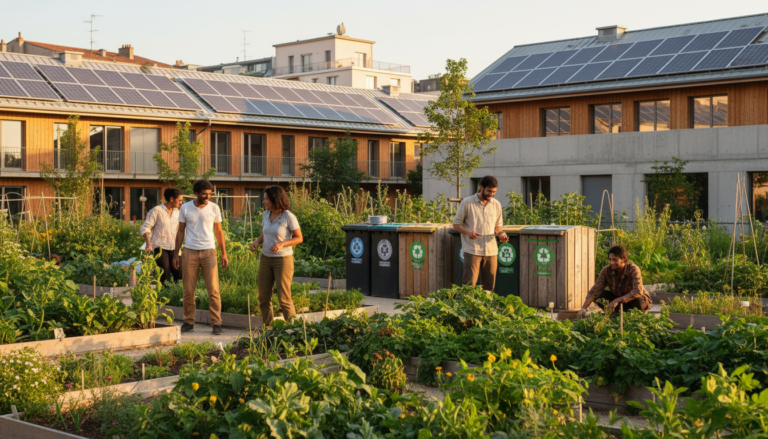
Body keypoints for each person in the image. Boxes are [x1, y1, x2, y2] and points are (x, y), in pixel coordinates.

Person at [172, 180, 229, 335]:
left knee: (214, 290)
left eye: (210, 194)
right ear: (196, 193)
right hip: (190, 252)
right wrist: (177, 253)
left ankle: (216, 323)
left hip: (209, 252)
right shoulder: (185, 208)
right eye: (204, 193)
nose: (207, 197)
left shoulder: (214, 208)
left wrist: (224, 253)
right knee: (188, 291)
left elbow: (219, 232)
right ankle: (188, 322)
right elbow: (180, 232)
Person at [249, 185, 303, 327]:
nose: (264, 201)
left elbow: (299, 238)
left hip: (283, 260)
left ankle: (294, 329)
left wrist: (282, 244)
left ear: (275, 199)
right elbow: (265, 233)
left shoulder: (288, 216)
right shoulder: (266, 214)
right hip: (266, 259)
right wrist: (257, 242)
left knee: (284, 298)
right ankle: (269, 328)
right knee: (264, 297)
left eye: (266, 199)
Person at [452, 175, 509, 292]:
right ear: (481, 187)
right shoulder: (467, 203)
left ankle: (485, 309)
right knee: (469, 286)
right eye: (489, 191)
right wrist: (468, 232)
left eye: (494, 192)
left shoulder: (496, 204)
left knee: (489, 286)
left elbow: (498, 226)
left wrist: (501, 234)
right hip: (472, 250)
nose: (491, 194)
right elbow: (456, 224)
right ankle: (467, 309)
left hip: (491, 251)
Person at [577, 245, 652, 318]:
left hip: (633, 300)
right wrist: (583, 309)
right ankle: (614, 313)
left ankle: (638, 315)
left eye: (615, 260)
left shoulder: (633, 269)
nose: (611, 262)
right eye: (610, 259)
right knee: (599, 295)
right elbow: (594, 291)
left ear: (623, 259)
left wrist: (617, 300)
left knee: (639, 301)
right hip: (618, 300)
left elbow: (638, 291)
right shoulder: (606, 270)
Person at [140, 187, 184, 285]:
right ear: (172, 199)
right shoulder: (157, 210)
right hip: (160, 248)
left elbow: (181, 230)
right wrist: (148, 244)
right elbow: (145, 228)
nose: (181, 203)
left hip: (175, 248)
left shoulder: (179, 212)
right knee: (164, 275)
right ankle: (163, 297)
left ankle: (177, 298)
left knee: (179, 275)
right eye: (179, 200)